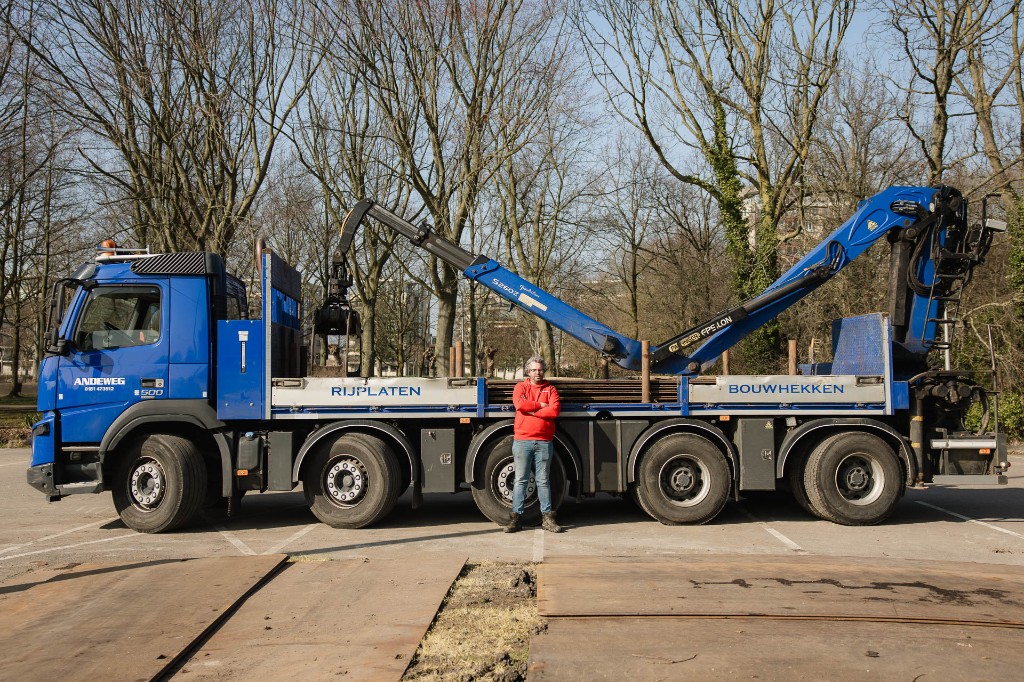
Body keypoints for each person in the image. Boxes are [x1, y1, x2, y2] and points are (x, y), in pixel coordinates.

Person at [505, 355, 562, 533]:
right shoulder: (520, 387)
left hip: (544, 441)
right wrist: (540, 405)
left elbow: (554, 411)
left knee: (543, 480)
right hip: (522, 441)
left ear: (543, 370)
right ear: (528, 371)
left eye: (540, 369)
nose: (537, 372)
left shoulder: (551, 389)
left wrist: (533, 412)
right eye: (534, 370)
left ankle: (547, 519)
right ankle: (516, 519)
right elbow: (520, 405)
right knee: (520, 480)